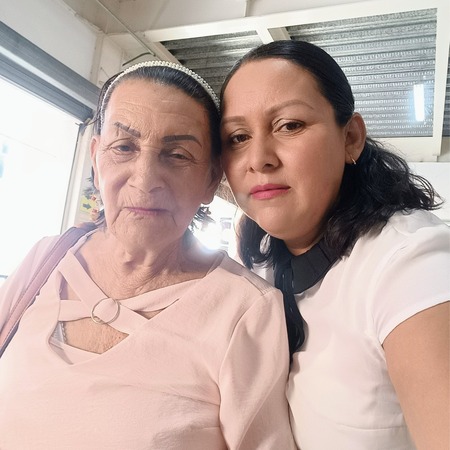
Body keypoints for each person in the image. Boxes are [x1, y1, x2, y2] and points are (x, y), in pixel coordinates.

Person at [0, 61, 297, 449]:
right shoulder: (46, 259)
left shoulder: (245, 309)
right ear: (96, 158)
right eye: (124, 147)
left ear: (211, 179)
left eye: (177, 154)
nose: (144, 180)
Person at [220, 40, 450, 450]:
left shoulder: (408, 263)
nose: (259, 158)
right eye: (238, 137)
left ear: (351, 138)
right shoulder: (262, 262)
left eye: (289, 125)